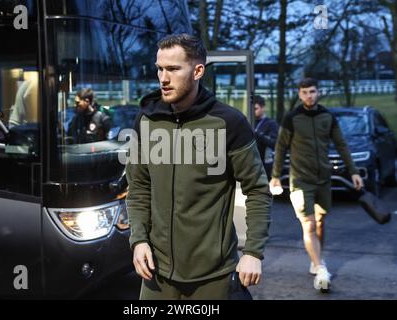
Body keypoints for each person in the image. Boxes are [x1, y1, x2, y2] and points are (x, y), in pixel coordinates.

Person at [126, 34, 271, 300]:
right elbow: (138, 187)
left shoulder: (229, 122)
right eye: (159, 68)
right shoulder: (145, 121)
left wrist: (252, 252)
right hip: (157, 274)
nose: (163, 78)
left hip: (213, 276)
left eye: (173, 69)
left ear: (198, 71)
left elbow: (258, 190)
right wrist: (139, 240)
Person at [269, 77, 363, 292]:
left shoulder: (327, 116)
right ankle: (321, 267)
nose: (309, 96)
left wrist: (354, 172)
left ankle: (316, 259)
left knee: (320, 222)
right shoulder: (292, 118)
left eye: (312, 91)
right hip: (300, 180)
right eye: (304, 92)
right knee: (309, 224)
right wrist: (275, 176)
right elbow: (281, 147)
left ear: (318, 92)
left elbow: (341, 144)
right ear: (299, 95)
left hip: (324, 179)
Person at [253, 95, 279, 179]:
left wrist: (258, 135)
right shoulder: (248, 122)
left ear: (263, 108)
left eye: (255, 109)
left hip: (266, 166)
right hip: (251, 164)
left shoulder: (271, 123)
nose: (253, 111)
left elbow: (274, 143)